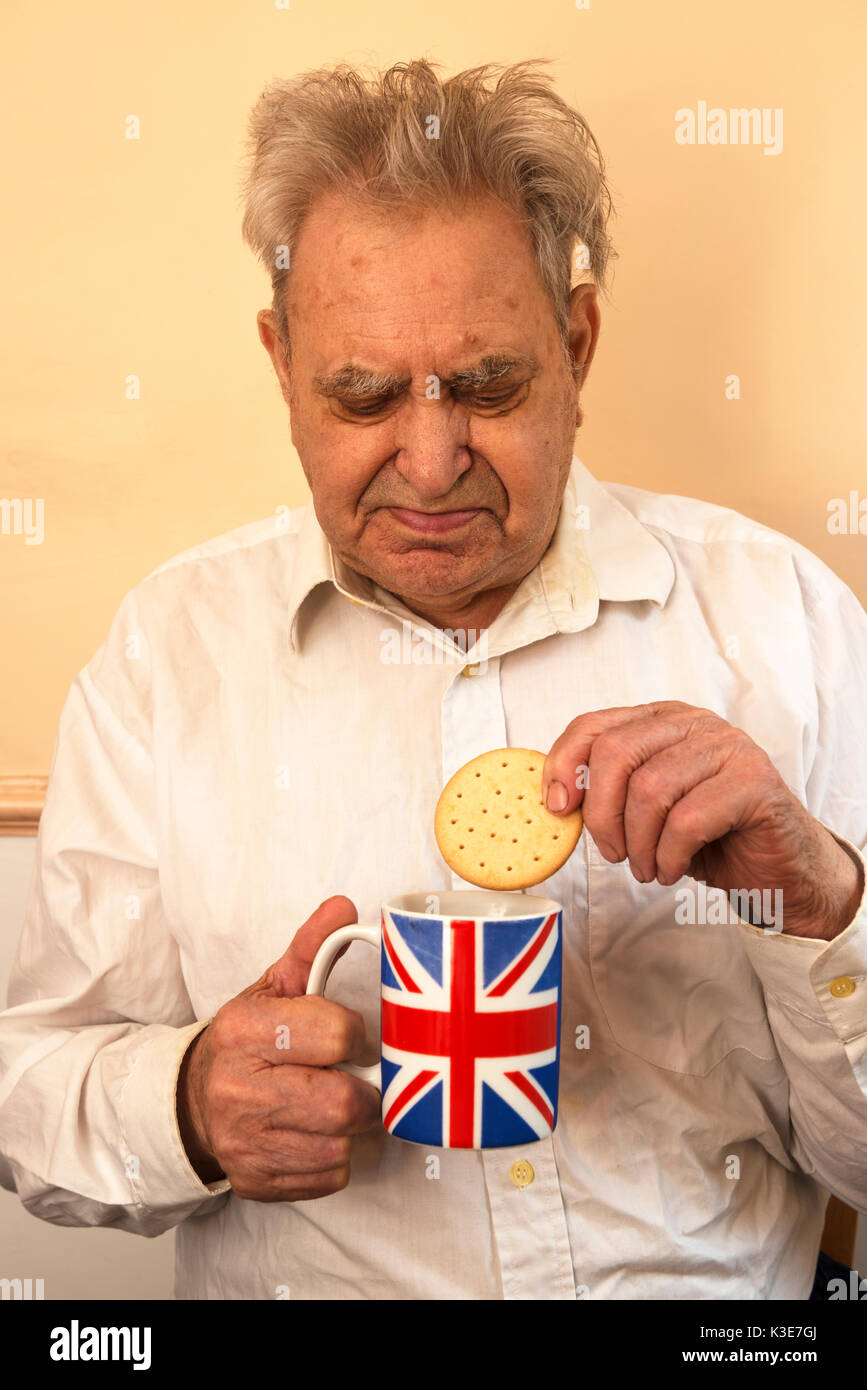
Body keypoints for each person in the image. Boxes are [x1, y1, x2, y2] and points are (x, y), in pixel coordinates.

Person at [1, 58, 865, 1301]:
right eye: (360, 396)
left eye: (488, 383)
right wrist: (186, 1105)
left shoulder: (784, 623)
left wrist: (827, 899)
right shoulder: (167, 654)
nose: (428, 456)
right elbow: (30, 1093)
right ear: (280, 364)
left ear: (577, 343)